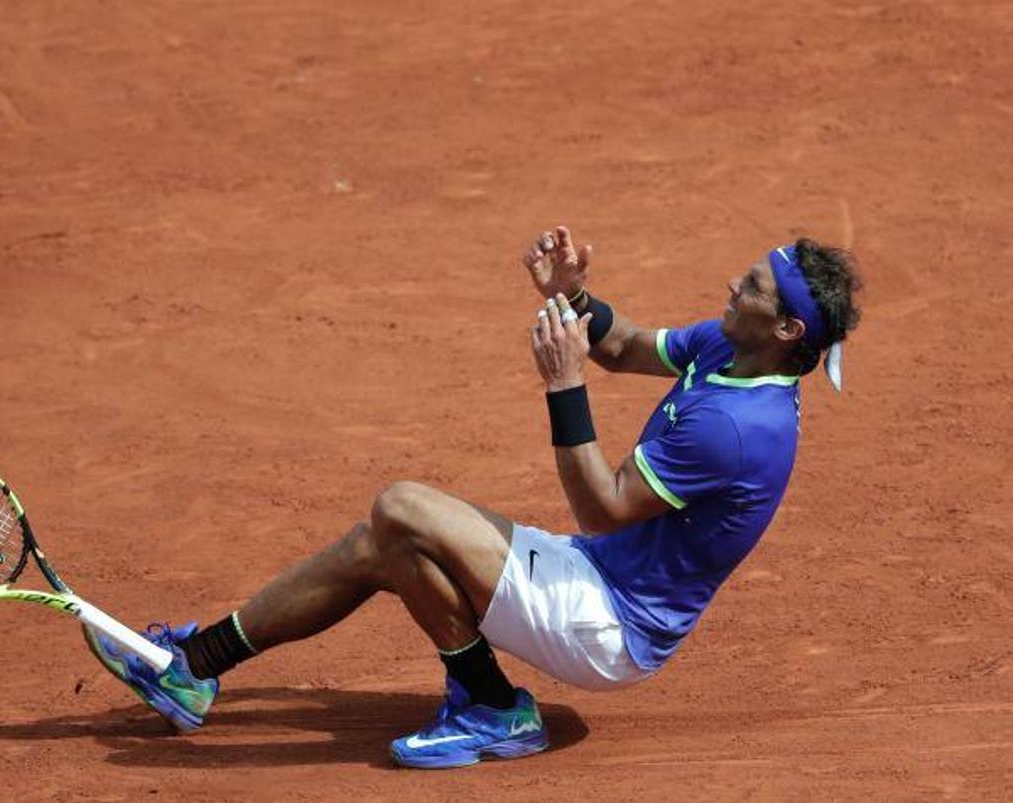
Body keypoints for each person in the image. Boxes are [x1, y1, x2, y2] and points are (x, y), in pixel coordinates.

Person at [83, 224, 863, 769]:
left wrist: (563, 383)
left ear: (788, 327)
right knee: (382, 545)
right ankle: (193, 665)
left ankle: (490, 706)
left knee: (401, 507)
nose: (733, 283)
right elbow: (624, 347)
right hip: (591, 575)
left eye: (753, 285)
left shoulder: (737, 427)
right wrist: (574, 299)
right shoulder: (734, 350)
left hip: (609, 625)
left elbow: (602, 505)